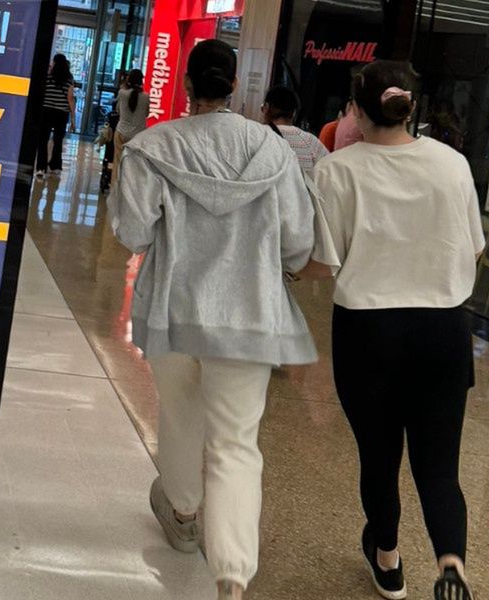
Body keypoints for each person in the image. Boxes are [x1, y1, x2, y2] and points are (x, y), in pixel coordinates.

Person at [111, 39, 317, 600]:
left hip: (174, 311)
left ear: (186, 84)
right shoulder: (272, 153)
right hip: (250, 316)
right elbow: (299, 244)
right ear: (234, 87)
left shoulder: (152, 148)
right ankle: (231, 576)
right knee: (235, 445)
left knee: (179, 418)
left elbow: (131, 232)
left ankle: (182, 509)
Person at [302, 60, 484, 600]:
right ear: (412, 108)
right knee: (440, 467)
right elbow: (475, 245)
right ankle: (452, 567)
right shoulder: (452, 165)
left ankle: (387, 560)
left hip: (369, 334)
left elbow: (322, 262)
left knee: (379, 458)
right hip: (444, 333)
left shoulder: (337, 170)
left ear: (356, 111)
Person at [261, 85, 329, 175]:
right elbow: (328, 172)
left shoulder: (257, 136)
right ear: (294, 113)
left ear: (266, 108)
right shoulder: (311, 141)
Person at [35, 54, 76, 179]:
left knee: (43, 140)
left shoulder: (47, 76)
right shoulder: (69, 79)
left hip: (47, 111)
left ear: (55, 63)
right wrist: (73, 118)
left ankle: (41, 168)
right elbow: (70, 99)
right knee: (58, 141)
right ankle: (55, 166)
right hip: (61, 113)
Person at [112, 69, 149, 190]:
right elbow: (146, 114)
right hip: (138, 136)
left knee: (118, 162)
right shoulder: (145, 97)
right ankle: (130, 190)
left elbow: (117, 110)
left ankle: (116, 189)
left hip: (121, 132)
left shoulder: (122, 93)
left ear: (128, 80)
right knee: (134, 164)